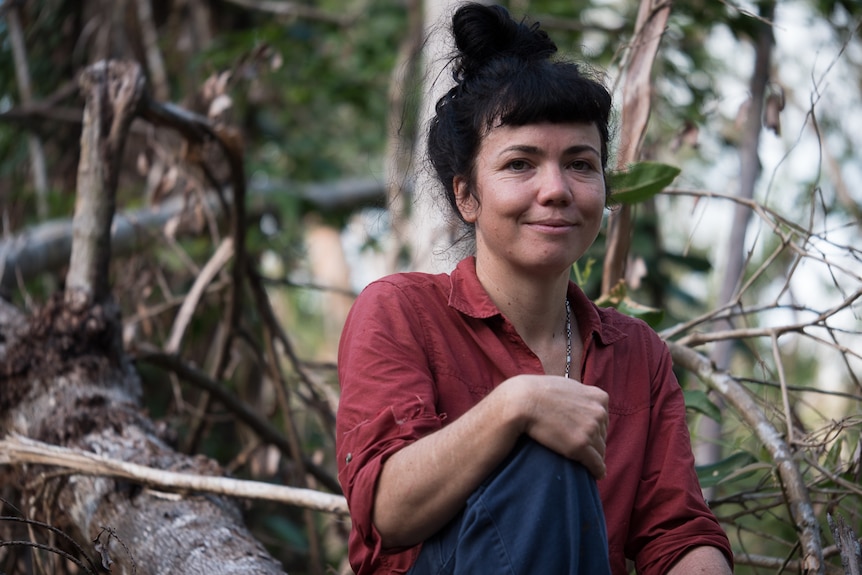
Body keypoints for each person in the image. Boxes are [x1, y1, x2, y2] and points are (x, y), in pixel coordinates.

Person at [336, 3, 733, 574]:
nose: (556, 190)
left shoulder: (638, 353)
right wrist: (517, 405)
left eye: (581, 164)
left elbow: (674, 531)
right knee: (547, 453)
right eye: (520, 164)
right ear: (467, 196)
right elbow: (388, 512)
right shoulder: (400, 310)